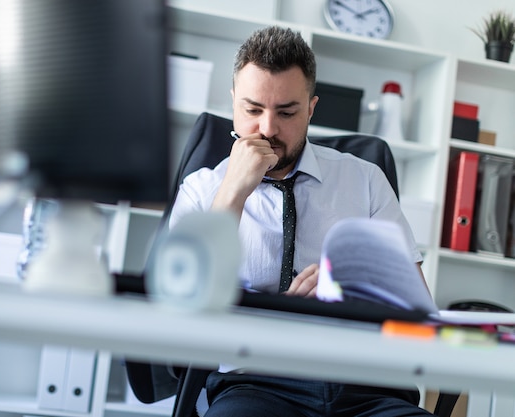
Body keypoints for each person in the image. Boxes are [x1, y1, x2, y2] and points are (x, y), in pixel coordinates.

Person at [168, 26, 434, 417]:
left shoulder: (365, 180)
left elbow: (419, 317)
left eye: (287, 112)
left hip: (368, 388)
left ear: (311, 107)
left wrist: (350, 300)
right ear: (233, 103)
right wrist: (234, 192)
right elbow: (179, 318)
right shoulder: (201, 191)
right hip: (255, 383)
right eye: (252, 109)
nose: (268, 129)